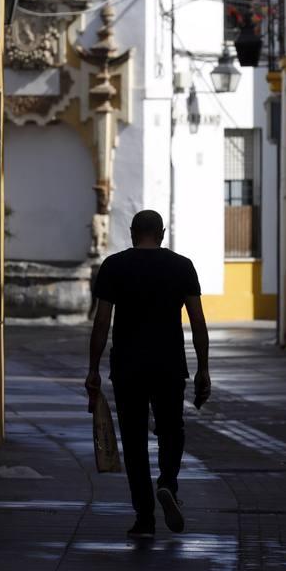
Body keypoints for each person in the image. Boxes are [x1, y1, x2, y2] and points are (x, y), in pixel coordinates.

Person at [85, 210, 211, 538]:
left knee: (134, 439)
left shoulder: (114, 266)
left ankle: (144, 518)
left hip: (127, 367)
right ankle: (167, 482)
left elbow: (101, 322)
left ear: (131, 233)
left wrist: (93, 369)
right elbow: (197, 321)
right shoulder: (182, 266)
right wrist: (203, 369)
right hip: (169, 364)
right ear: (162, 233)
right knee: (172, 429)